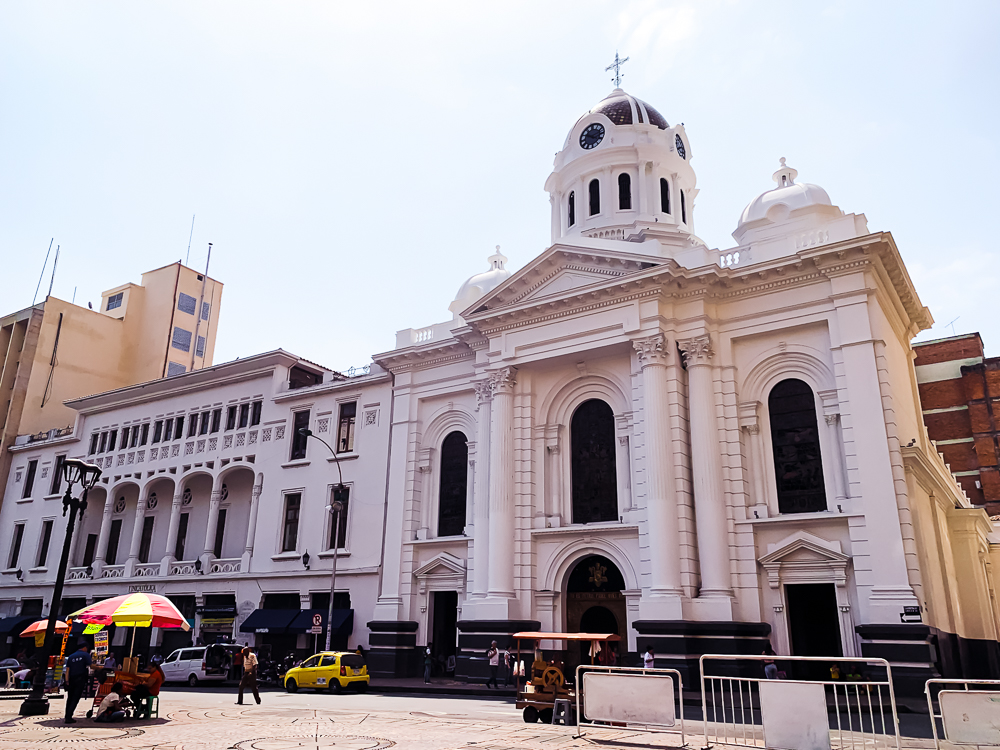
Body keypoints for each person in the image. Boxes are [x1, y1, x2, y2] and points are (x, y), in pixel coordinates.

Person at [63, 642, 92, 724]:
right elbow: (91, 666)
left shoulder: (71, 656)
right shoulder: (85, 655)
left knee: (70, 698)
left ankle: (67, 715)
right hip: (80, 679)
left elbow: (67, 670)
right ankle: (69, 717)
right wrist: (100, 667)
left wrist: (67, 681)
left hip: (71, 679)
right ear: (85, 648)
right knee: (75, 698)